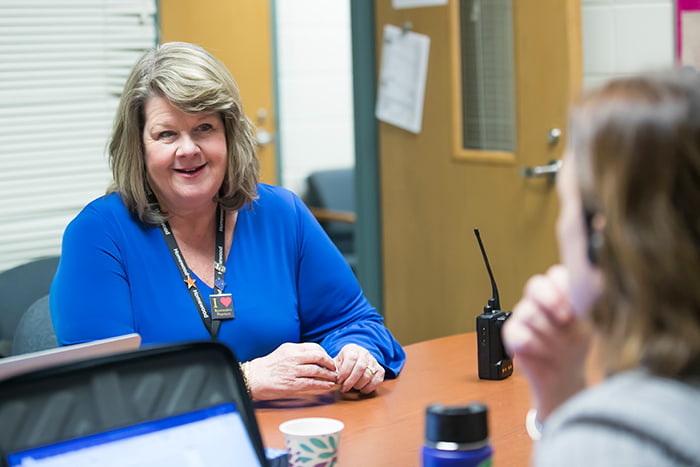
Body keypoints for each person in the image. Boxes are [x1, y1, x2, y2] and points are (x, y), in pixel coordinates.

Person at [50, 41, 405, 401]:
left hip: (289, 436)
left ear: (229, 135)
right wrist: (244, 380)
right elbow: (100, 386)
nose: (188, 149)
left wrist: (358, 353)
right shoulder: (98, 234)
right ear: (138, 147)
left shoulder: (281, 213)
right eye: (166, 134)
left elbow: (356, 322)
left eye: (204, 128)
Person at [503, 70, 700, 465]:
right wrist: (561, 397)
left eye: (566, 205)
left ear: (601, 236)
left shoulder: (607, 445)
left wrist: (574, 430)